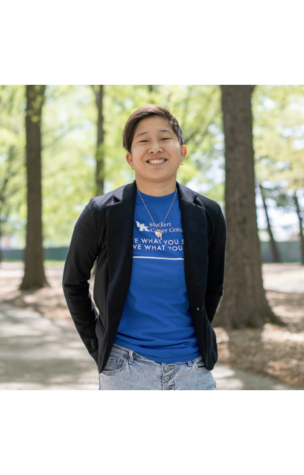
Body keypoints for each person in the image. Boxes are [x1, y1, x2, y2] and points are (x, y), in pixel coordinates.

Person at [62, 105, 226, 391]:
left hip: (194, 372)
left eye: (165, 138)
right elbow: (73, 282)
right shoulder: (101, 212)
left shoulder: (208, 213)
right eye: (143, 141)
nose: (155, 148)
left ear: (182, 152)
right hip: (125, 370)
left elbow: (213, 286)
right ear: (130, 158)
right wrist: (99, 346)